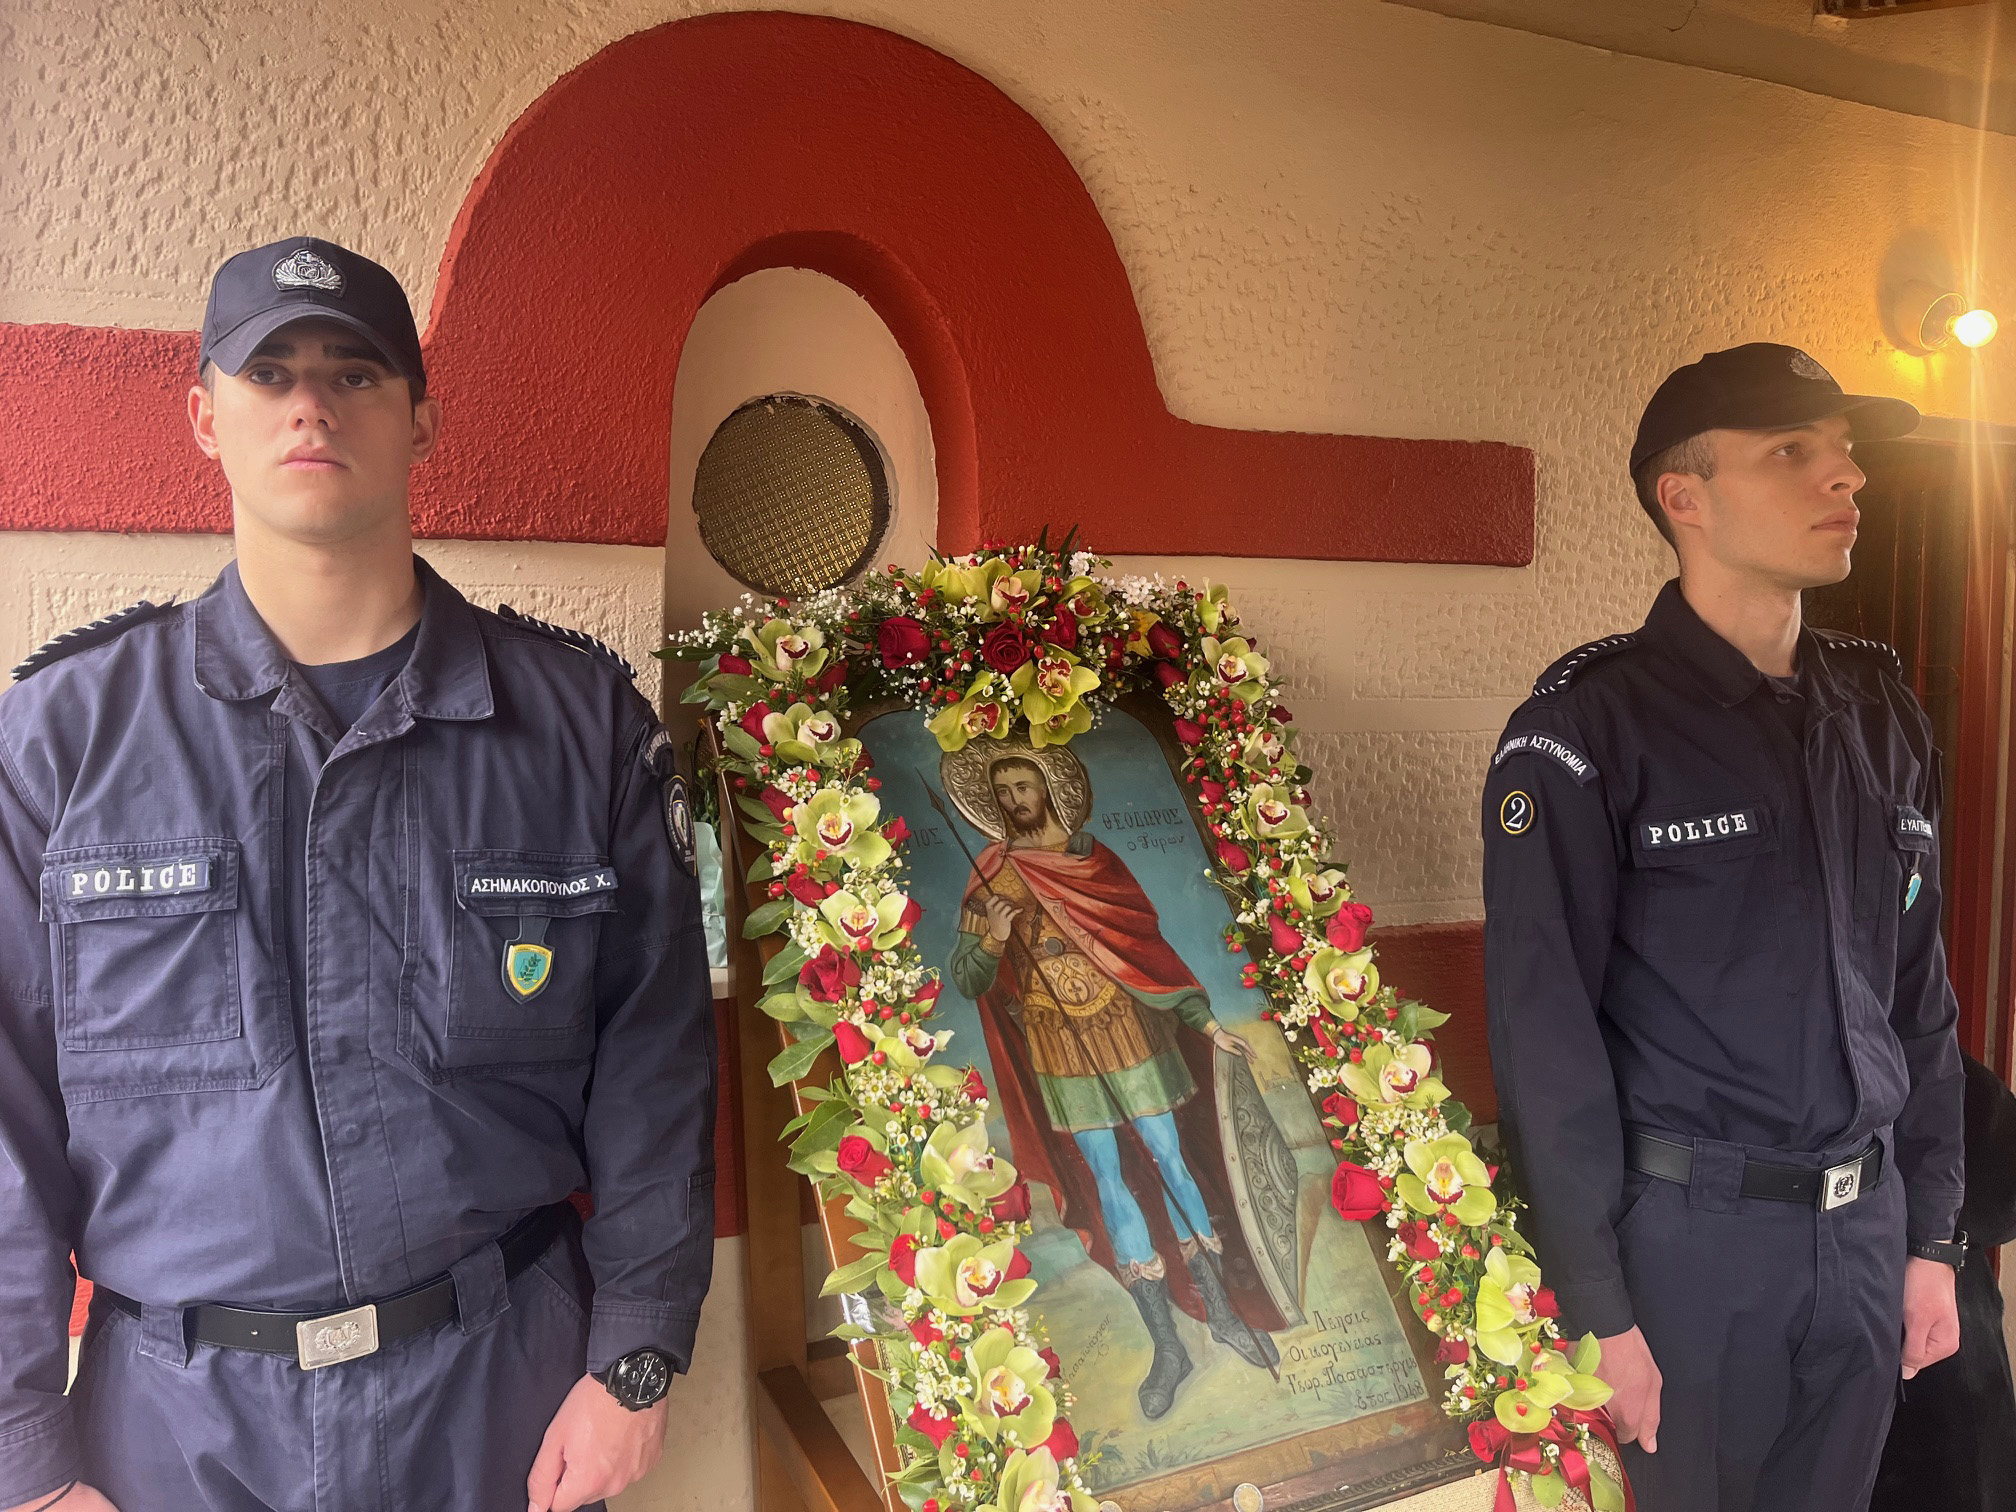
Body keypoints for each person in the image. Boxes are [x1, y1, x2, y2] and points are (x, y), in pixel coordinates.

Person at [0, 238, 716, 1512]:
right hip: (177, 1435)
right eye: (269, 372)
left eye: (355, 372)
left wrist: (639, 1356)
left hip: (499, 1402)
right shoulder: (61, 741)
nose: (311, 406)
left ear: (420, 420)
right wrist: (24, 1458)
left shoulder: (576, 725)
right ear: (205, 417)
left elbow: (655, 1064)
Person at [1481, 343, 1965, 1511]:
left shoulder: (1881, 713)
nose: (1846, 477)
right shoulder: (1585, 731)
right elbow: (1546, 1040)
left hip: (1867, 1235)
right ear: (1683, 497)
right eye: (1792, 451)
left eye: (1843, 451)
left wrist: (1933, 1239)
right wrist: (1598, 1310)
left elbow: (1918, 1000)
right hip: (1688, 1255)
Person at [946, 751, 1284, 1419]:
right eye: (1002, 790)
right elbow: (966, 977)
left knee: (1170, 1160)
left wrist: (1208, 1025)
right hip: (1056, 1042)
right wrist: (993, 939)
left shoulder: (1093, 862)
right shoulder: (988, 874)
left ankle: (1222, 1313)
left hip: (1128, 1029)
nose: (1014, 799)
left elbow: (1144, 951)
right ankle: (1168, 1346)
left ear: (1050, 788)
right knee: (1107, 1176)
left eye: (1024, 785)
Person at [1870, 1051, 2016, 1510]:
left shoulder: (1935, 1061)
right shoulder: (1933, 1060)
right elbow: (2004, 1203)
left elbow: (2004, 1201)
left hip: (1940, 1355)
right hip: (1940, 1362)